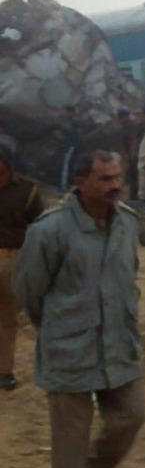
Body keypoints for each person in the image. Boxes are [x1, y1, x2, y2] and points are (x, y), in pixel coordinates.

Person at [13, 149, 145, 468]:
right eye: (104, 179)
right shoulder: (49, 231)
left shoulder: (127, 222)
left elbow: (130, 276)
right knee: (70, 440)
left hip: (119, 344)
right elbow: (28, 291)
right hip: (70, 348)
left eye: (117, 177)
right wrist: (58, 328)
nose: (115, 186)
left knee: (131, 418)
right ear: (79, 183)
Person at [0, 135, 44, 391]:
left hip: (14, 260)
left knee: (7, 319)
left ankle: (4, 371)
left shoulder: (28, 191)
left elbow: (40, 229)